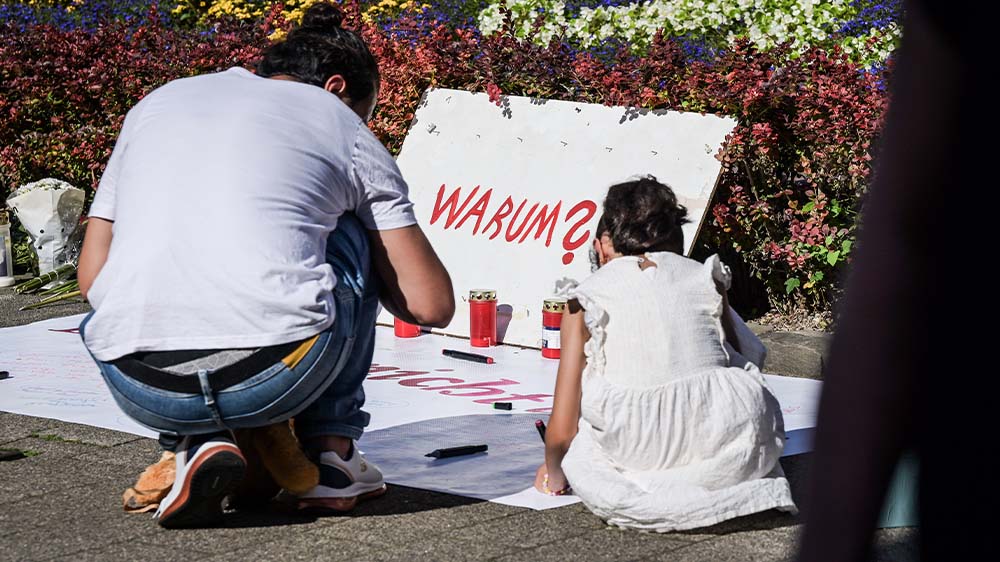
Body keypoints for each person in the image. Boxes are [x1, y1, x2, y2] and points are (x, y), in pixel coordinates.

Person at [75, 2, 454, 528]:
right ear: (338, 89)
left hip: (142, 387)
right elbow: (430, 306)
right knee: (352, 230)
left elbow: (93, 280)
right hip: (274, 374)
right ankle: (332, 455)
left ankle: (195, 442)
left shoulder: (159, 103)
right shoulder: (339, 123)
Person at [534, 176, 796, 531]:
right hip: (729, 433)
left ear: (604, 245)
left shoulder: (587, 298)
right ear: (677, 237)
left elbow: (562, 431)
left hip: (637, 442)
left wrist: (554, 474)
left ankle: (662, 480)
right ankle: (713, 476)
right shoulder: (705, 276)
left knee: (585, 451)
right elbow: (739, 355)